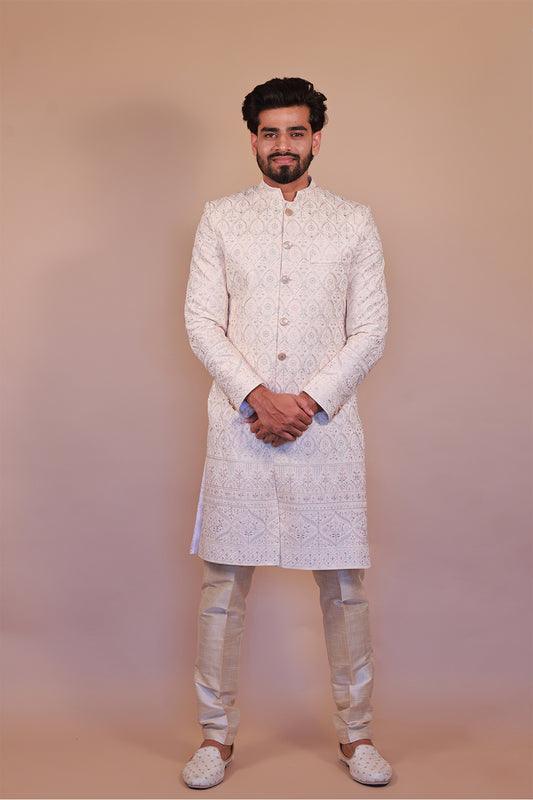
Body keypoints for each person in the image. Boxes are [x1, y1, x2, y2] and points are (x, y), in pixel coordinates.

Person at [182, 77, 391, 789]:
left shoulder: (353, 221)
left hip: (324, 430)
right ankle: (215, 738)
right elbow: (201, 321)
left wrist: (308, 402)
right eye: (269, 132)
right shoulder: (220, 219)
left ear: (315, 139)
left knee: (345, 589)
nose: (282, 145)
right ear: (253, 139)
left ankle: (357, 734)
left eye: (295, 132)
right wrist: (256, 398)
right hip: (240, 428)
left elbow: (369, 330)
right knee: (221, 588)